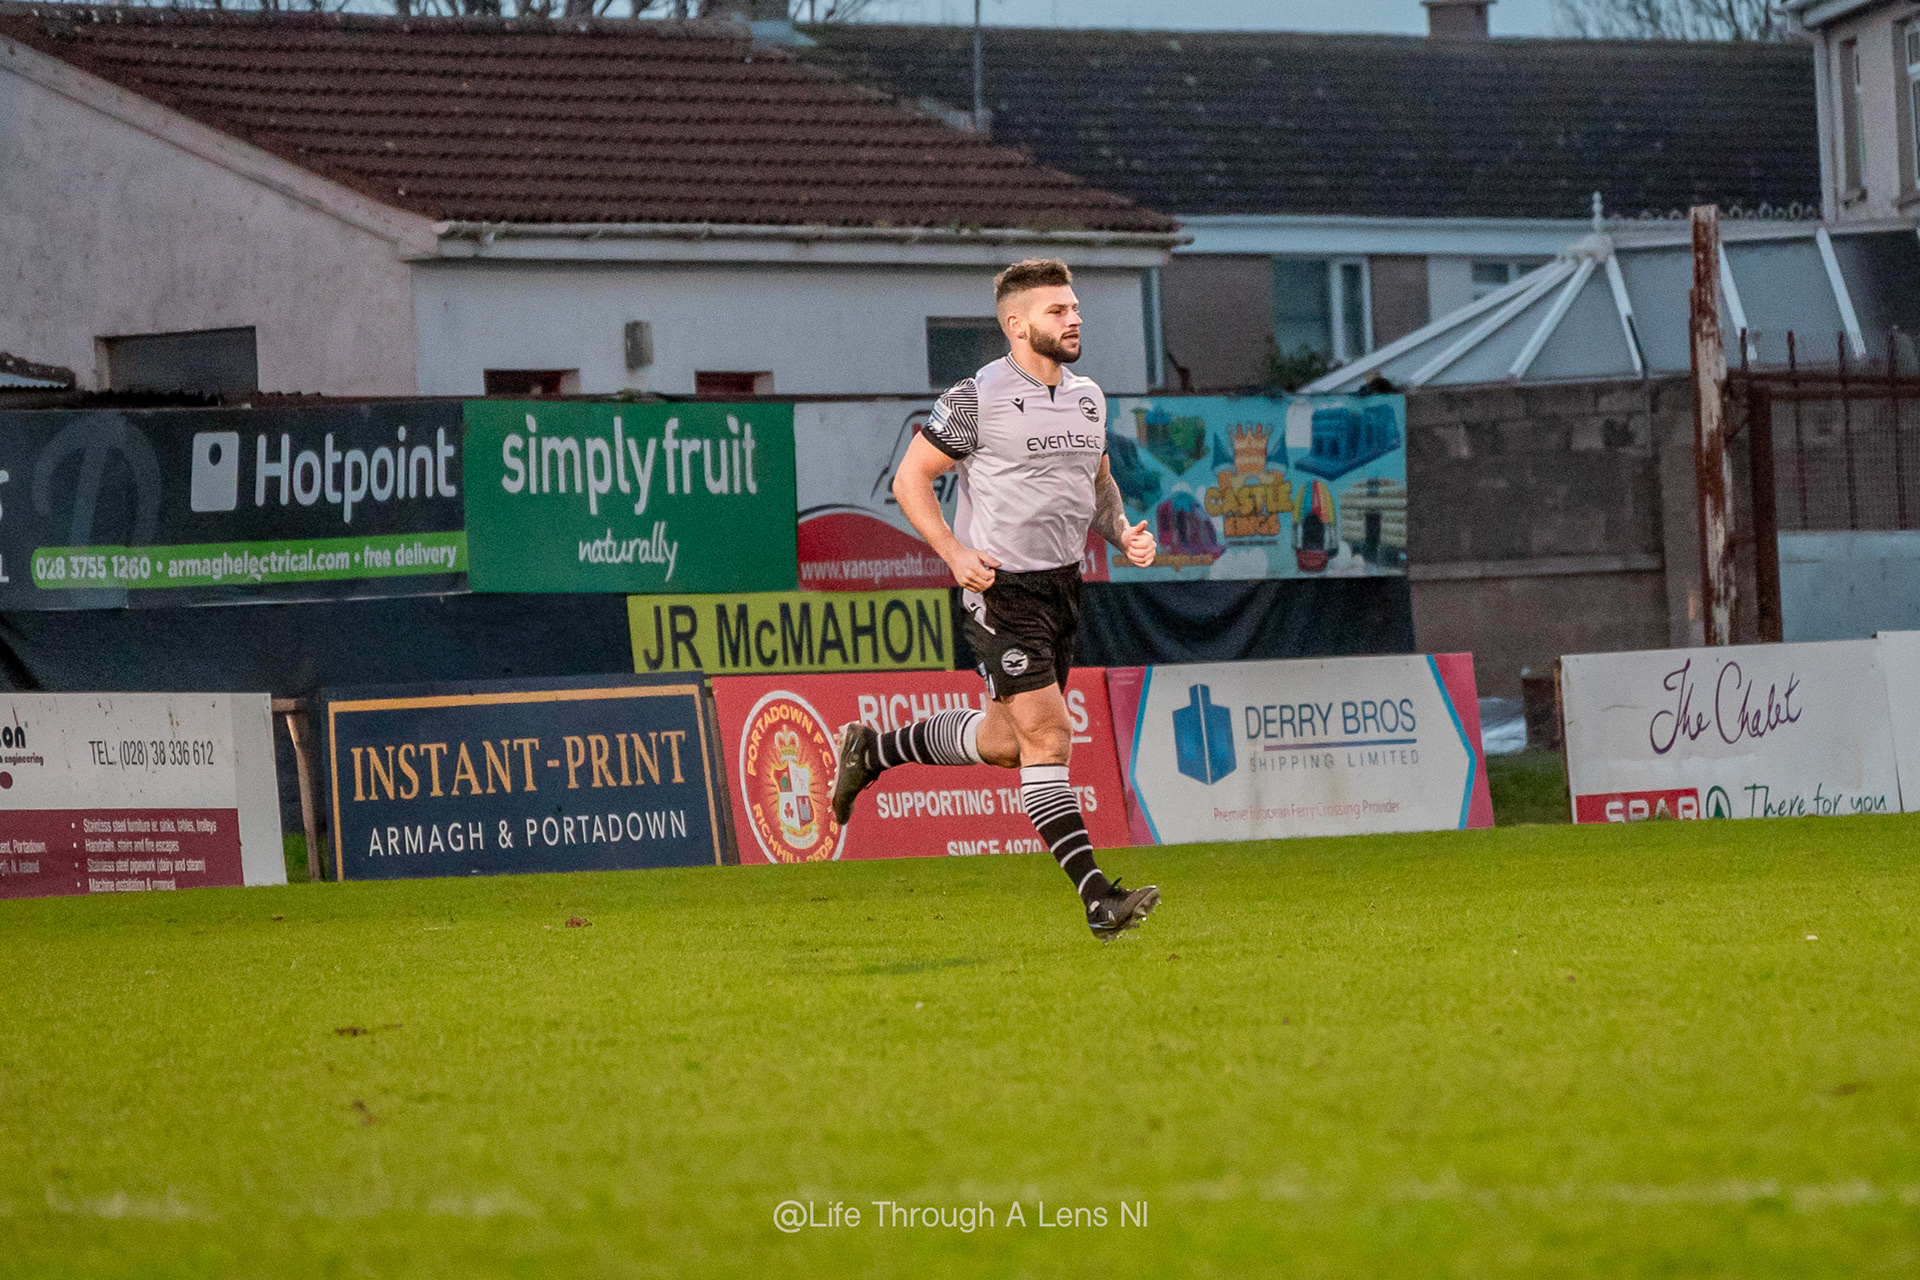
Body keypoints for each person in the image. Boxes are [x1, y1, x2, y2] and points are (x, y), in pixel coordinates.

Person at [829, 258, 1163, 939]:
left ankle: (873, 751)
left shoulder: (1088, 397)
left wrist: (1122, 531)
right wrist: (954, 554)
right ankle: (1098, 899)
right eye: (1057, 311)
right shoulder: (977, 397)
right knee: (1050, 735)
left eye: (1074, 308)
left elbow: (1097, 483)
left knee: (1008, 743)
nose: (1074, 319)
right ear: (1016, 324)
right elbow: (910, 480)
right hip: (1000, 590)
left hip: (1063, 589)